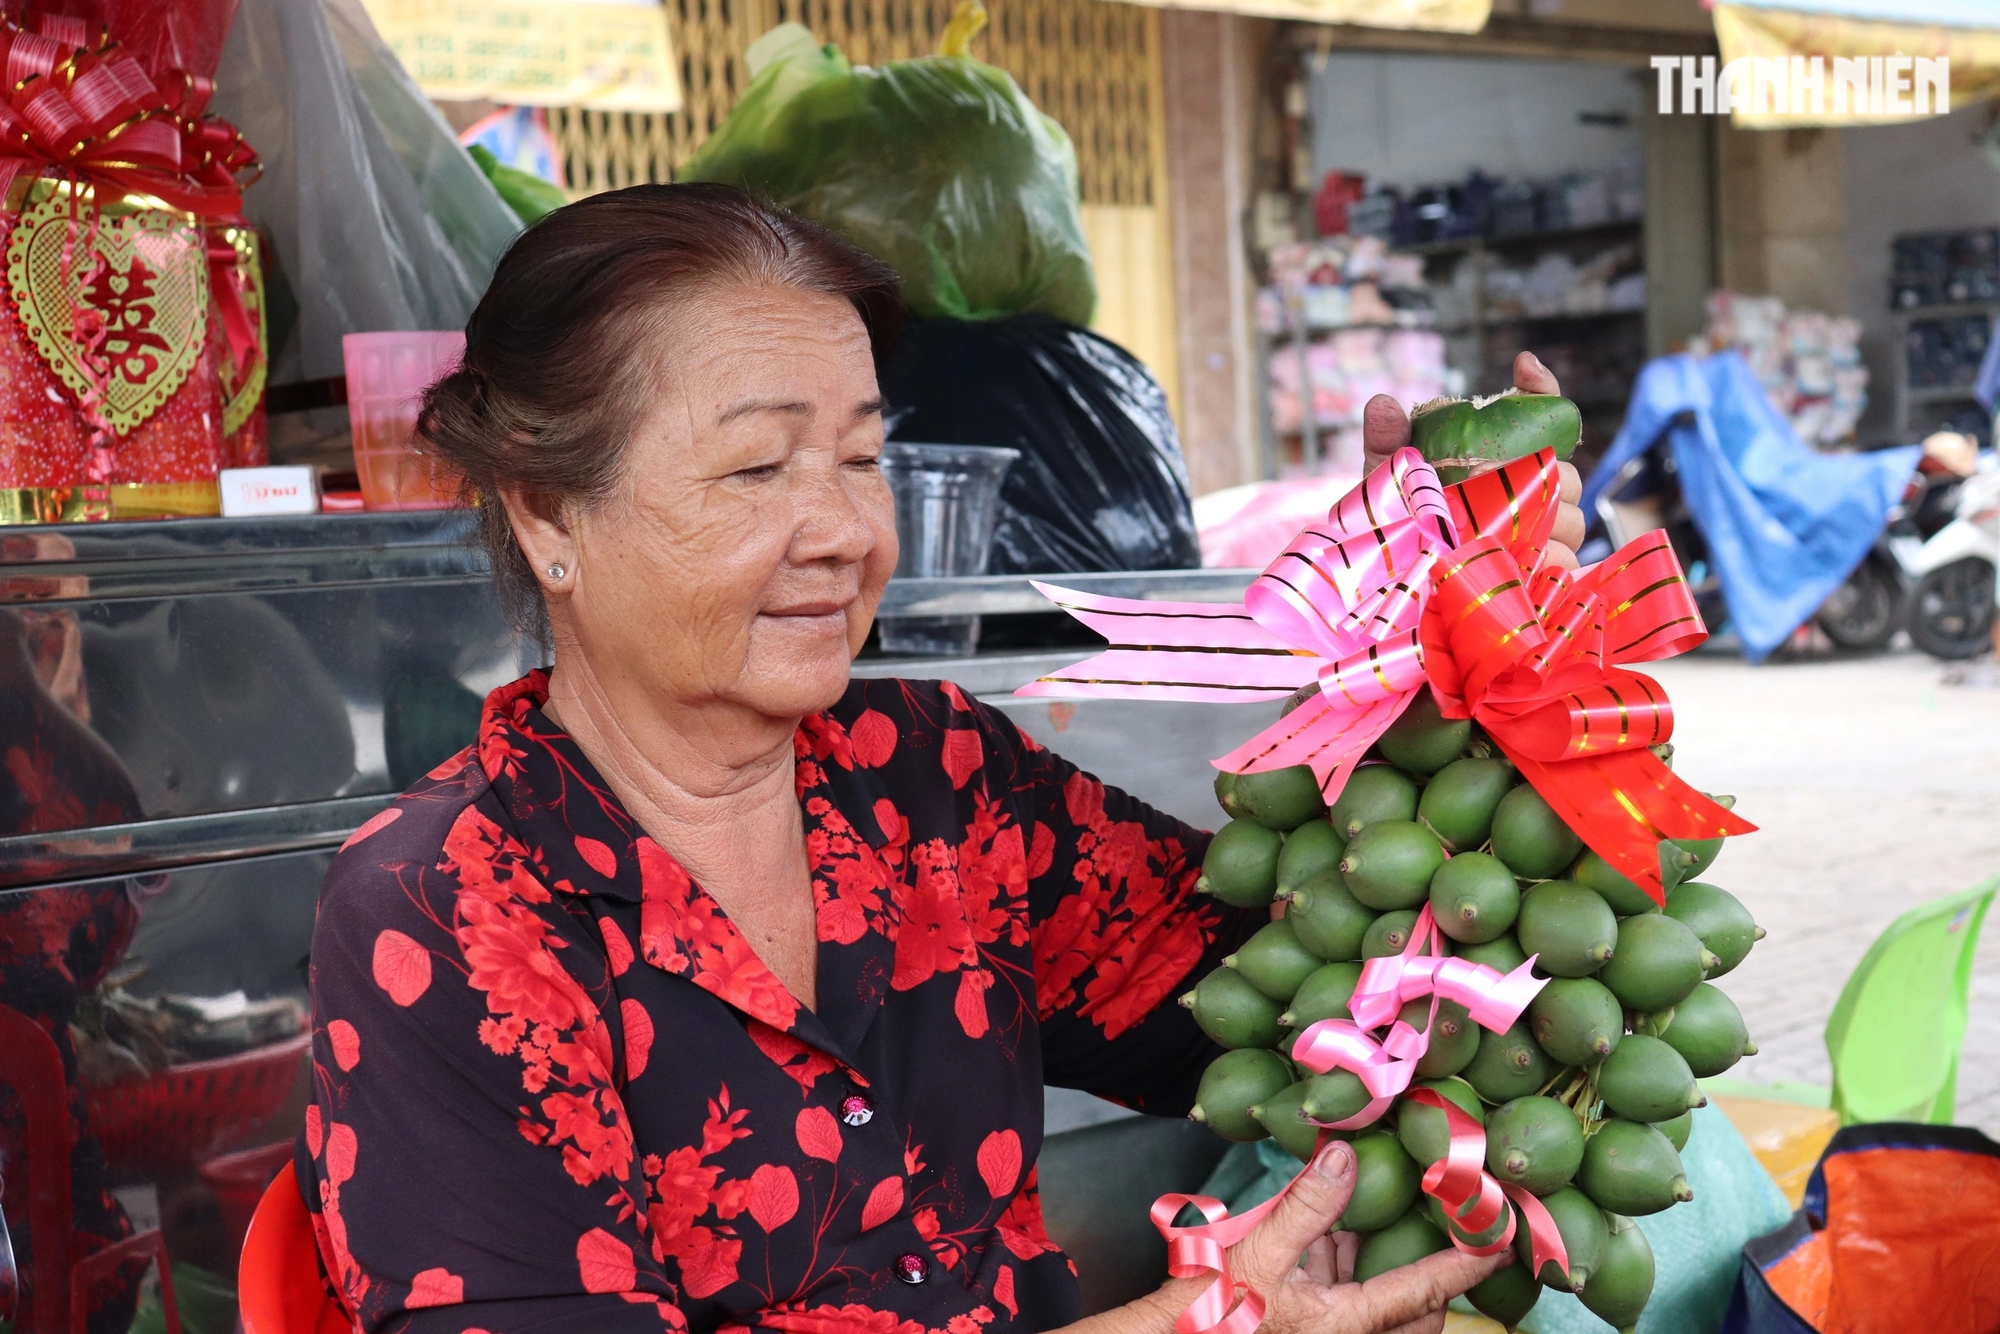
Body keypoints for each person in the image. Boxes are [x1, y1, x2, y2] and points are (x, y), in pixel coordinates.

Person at [300, 183, 1585, 1334]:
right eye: (754, 467)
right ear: (545, 513)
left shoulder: (930, 777)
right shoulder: (448, 914)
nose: (845, 530)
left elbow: (1329, 1000)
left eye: (864, 457)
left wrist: (1444, 653)